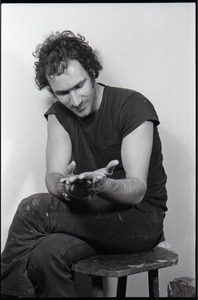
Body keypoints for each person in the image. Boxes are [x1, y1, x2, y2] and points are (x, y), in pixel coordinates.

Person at [1, 30, 168, 298]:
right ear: (52, 92)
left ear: (92, 72)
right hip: (91, 217)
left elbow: (137, 189)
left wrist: (103, 184)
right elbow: (53, 177)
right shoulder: (59, 115)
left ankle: (6, 292)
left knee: (33, 209)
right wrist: (67, 189)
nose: (75, 100)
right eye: (63, 93)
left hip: (140, 220)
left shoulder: (133, 106)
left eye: (79, 86)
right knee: (45, 254)